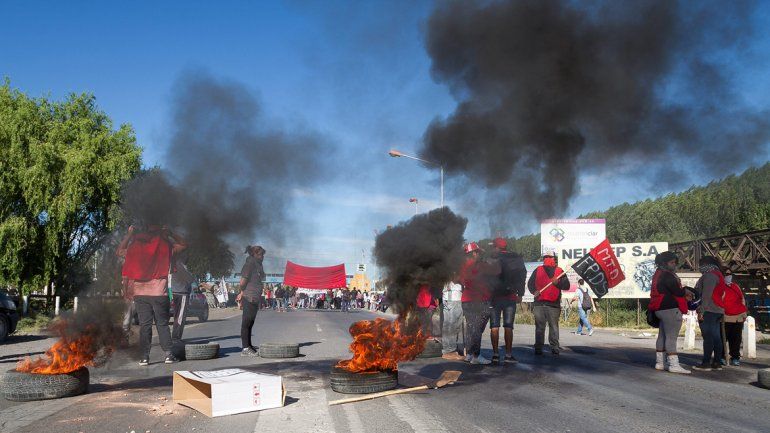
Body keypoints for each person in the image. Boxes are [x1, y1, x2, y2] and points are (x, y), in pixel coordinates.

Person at [118, 224, 187, 366]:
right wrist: (171, 233)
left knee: (145, 325)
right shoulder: (166, 247)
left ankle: (144, 357)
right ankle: (168, 355)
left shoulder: (135, 247)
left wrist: (130, 235)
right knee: (162, 324)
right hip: (159, 293)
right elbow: (184, 244)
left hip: (140, 293)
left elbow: (119, 251)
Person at [647, 251, 690, 373]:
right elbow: (678, 292)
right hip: (670, 309)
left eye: (675, 262)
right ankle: (674, 364)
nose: (674, 265)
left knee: (662, 336)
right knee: (671, 337)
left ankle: (660, 363)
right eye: (672, 262)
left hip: (658, 309)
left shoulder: (657, 274)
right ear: (665, 263)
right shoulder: (668, 275)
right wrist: (686, 292)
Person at [488, 237, 526, 364]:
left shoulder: (491, 259)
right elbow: (522, 276)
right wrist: (520, 293)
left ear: (497, 247)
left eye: (493, 246)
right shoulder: (516, 259)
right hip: (510, 297)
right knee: (508, 326)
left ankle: (495, 355)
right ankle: (509, 355)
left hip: (494, 298)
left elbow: (484, 278)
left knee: (494, 326)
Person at [460, 242, 499, 365]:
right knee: (477, 328)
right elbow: (495, 272)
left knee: (471, 327)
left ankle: (470, 354)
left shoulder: (462, 266)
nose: (479, 255)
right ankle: (476, 355)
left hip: (466, 300)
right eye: (478, 253)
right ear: (474, 253)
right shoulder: (480, 265)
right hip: (479, 300)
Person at [527, 252, 569, 356]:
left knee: (553, 327)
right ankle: (538, 348)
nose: (548, 259)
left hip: (553, 305)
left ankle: (554, 347)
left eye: (550, 257)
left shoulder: (560, 271)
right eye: (546, 257)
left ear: (554, 258)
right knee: (540, 327)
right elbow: (530, 284)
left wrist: (558, 283)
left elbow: (567, 286)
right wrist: (534, 291)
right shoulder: (538, 270)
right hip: (539, 304)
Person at [692, 256, 727, 371]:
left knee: (708, 337)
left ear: (706, 264)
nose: (700, 268)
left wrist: (701, 311)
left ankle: (706, 363)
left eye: (701, 265)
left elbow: (706, 295)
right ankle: (717, 362)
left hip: (709, 310)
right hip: (717, 310)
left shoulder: (709, 275)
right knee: (716, 337)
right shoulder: (718, 274)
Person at [239, 245, 266, 356]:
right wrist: (241, 293)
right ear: (254, 254)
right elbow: (242, 282)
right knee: (246, 323)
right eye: (260, 255)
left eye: (263, 255)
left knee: (250, 323)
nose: (262, 257)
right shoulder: (249, 265)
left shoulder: (258, 265)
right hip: (249, 297)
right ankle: (245, 349)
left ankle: (249, 345)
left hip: (255, 298)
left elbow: (261, 278)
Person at [721, 268, 747, 366]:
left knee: (736, 339)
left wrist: (744, 313)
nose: (728, 276)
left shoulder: (735, 286)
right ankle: (721, 356)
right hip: (725, 316)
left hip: (738, 316)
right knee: (723, 338)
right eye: (726, 274)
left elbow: (742, 300)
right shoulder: (720, 287)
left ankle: (735, 357)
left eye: (729, 274)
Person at [170, 254, 195, 344]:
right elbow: (190, 279)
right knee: (180, 317)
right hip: (182, 294)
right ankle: (176, 338)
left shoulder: (174, 265)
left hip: (175, 293)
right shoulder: (180, 266)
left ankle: (175, 337)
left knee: (177, 316)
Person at [441, 281, 465, 360]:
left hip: (451, 296)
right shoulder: (453, 270)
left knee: (451, 325)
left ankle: (450, 350)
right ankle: (449, 351)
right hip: (452, 297)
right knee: (452, 325)